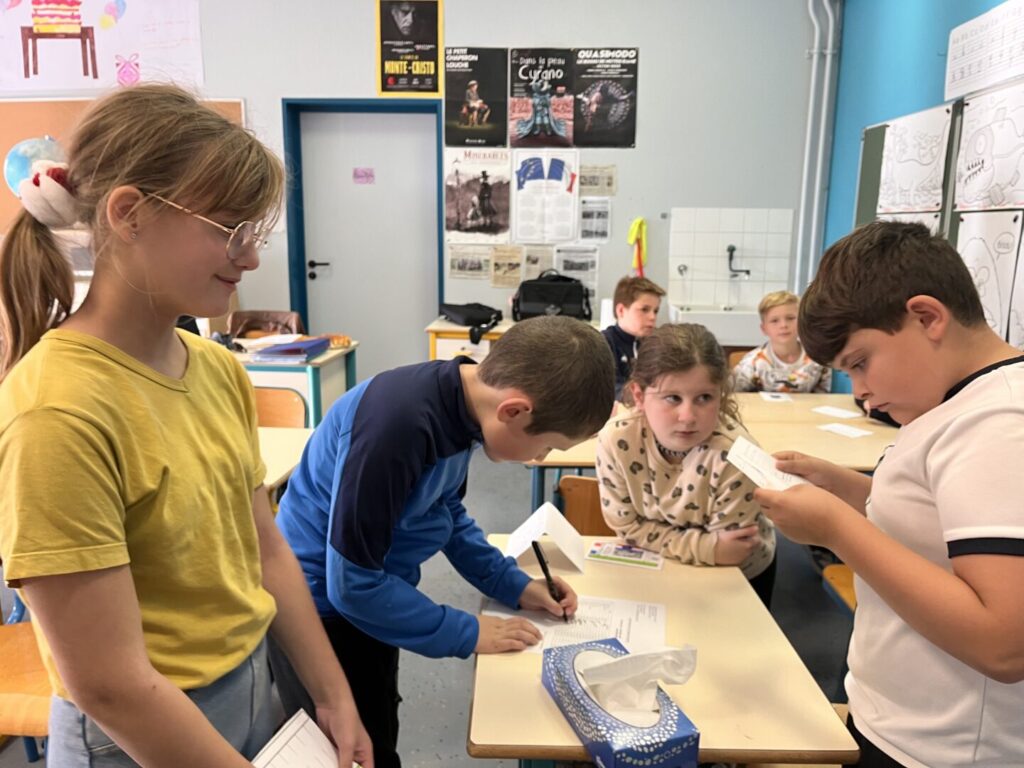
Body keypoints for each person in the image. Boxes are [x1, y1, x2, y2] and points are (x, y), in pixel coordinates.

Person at [0, 84, 372, 768]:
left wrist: (333, 695)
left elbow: (265, 550)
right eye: (229, 230)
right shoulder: (58, 409)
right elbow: (111, 685)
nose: (250, 258)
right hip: (137, 732)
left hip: (250, 684)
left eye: (253, 234)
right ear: (129, 214)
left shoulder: (217, 368)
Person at [273, 315, 615, 768]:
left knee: (378, 721)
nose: (539, 458)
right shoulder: (397, 428)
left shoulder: (461, 405)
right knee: (352, 752)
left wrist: (512, 584)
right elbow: (352, 586)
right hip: (319, 612)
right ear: (514, 411)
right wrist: (466, 631)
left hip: (375, 593)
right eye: (547, 447)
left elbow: (444, 511)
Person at [755, 221, 1024, 768]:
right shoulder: (958, 404)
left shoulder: (999, 424)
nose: (862, 393)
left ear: (926, 317)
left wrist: (837, 528)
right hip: (905, 722)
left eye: (860, 363)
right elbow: (939, 524)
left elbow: (1004, 643)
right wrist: (850, 489)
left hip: (943, 750)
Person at [596, 324, 777, 607]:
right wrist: (708, 547)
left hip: (738, 576)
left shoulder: (737, 456)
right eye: (673, 398)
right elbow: (625, 525)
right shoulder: (616, 440)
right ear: (639, 396)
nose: (688, 416)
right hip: (658, 565)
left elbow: (732, 552)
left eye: (704, 398)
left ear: (720, 394)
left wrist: (652, 535)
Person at [733, 290, 831, 393]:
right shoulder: (753, 363)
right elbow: (733, 394)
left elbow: (829, 396)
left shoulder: (818, 359)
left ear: (802, 322)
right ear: (764, 329)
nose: (783, 325)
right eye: (775, 321)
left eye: (790, 318)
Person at [602, 276, 665, 400]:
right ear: (621, 311)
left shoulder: (654, 343)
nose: (652, 317)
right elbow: (609, 388)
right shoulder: (604, 343)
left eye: (655, 311)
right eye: (644, 309)